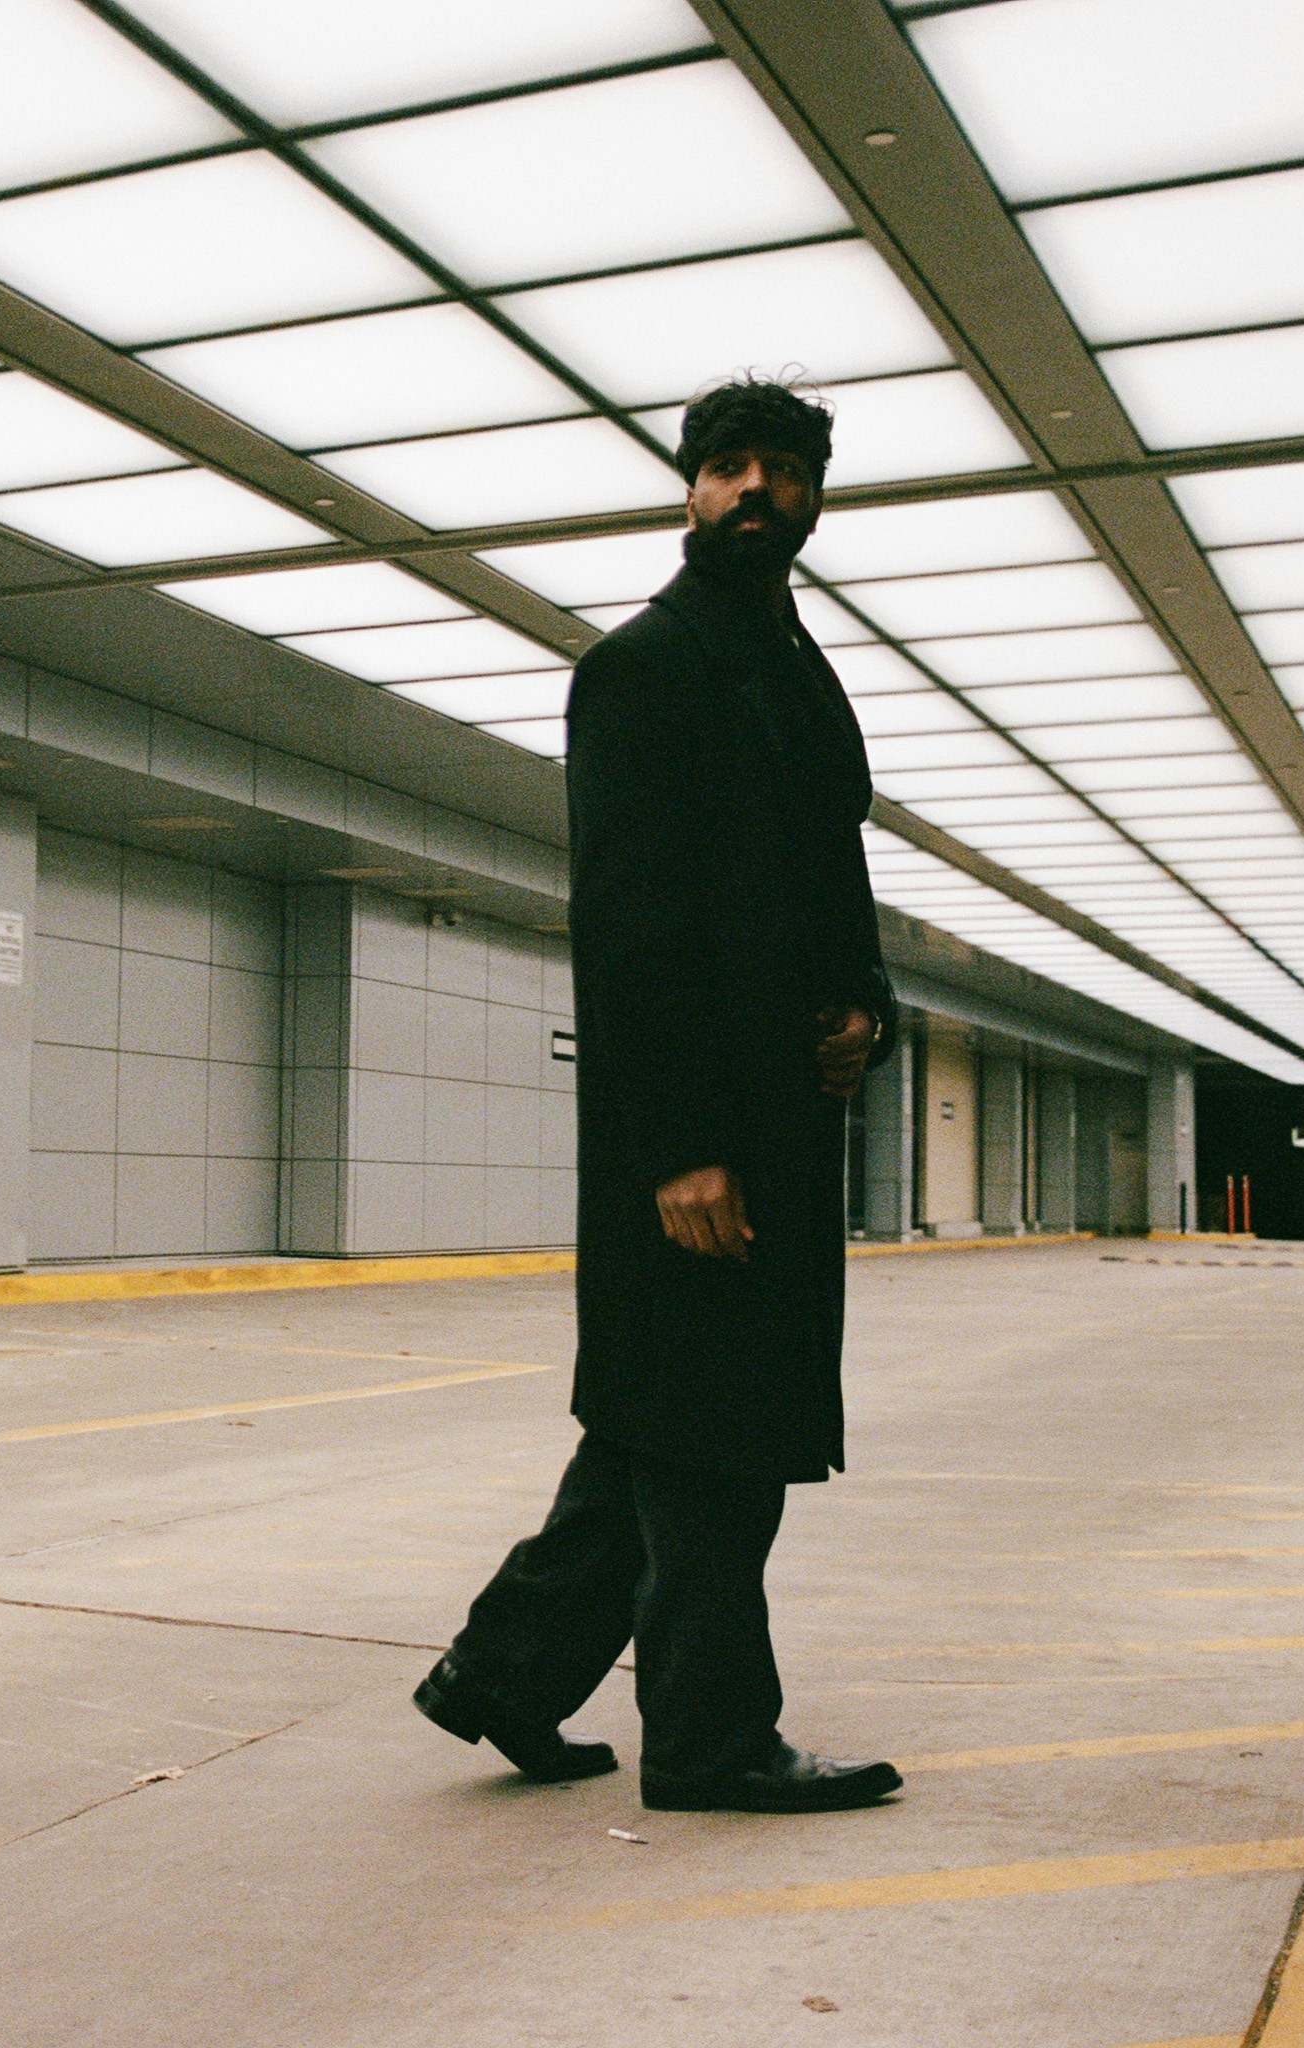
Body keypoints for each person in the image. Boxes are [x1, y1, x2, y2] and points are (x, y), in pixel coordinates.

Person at [413, 376, 904, 1814]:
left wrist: (869, 1007)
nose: (754, 489)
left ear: (815, 494)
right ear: (688, 489)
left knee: (658, 1419)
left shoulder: (794, 670)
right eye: (726, 466)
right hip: (692, 1131)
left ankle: (499, 1674)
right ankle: (708, 1737)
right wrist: (681, 1148)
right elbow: (628, 927)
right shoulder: (646, 667)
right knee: (714, 1436)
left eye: (782, 469)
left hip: (778, 1110)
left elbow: (833, 873)